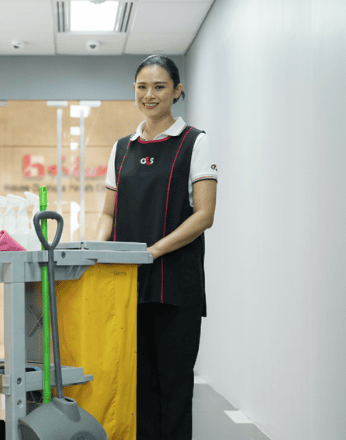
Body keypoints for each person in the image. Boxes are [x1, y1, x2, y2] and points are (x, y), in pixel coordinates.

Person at [95, 55, 218, 440]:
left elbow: (204, 215)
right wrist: (94, 252)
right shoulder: (122, 148)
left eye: (160, 87)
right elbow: (108, 213)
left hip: (175, 286)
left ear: (177, 91)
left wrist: (152, 252)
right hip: (127, 284)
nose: (149, 95)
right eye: (142, 87)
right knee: (137, 387)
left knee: (174, 387)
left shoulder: (194, 142)